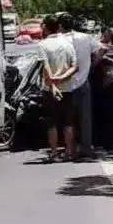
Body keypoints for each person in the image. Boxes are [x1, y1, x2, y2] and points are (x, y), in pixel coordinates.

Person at [38, 14, 78, 161]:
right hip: (68, 87)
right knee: (68, 122)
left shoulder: (42, 45)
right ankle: (69, 152)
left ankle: (54, 153)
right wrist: (62, 78)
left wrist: (53, 85)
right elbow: (75, 66)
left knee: (52, 123)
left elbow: (46, 68)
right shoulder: (68, 43)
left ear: (46, 28)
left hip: (49, 90)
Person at [58, 12, 97, 159]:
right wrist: (92, 65)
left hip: (65, 83)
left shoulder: (59, 40)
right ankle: (86, 148)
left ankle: (70, 149)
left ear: (60, 26)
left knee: (67, 118)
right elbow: (102, 49)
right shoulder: (85, 37)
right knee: (85, 117)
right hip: (83, 82)